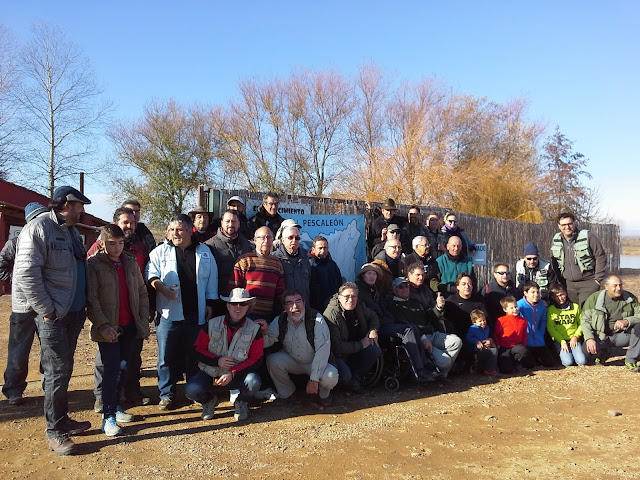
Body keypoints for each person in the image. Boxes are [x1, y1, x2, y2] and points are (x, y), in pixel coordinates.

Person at [12, 186, 92, 455]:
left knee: (63, 369)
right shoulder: (38, 228)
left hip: (74, 313)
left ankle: (62, 419)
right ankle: (56, 432)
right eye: (79, 205)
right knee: (56, 371)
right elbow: (26, 273)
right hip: (55, 316)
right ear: (65, 205)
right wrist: (46, 310)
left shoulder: (71, 231)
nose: (82, 210)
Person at [147, 214, 219, 410]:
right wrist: (161, 287)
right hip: (168, 315)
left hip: (196, 314)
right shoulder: (160, 252)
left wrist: (210, 304)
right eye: (172, 230)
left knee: (194, 356)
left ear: (189, 231)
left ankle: (193, 391)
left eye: (179, 230)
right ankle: (166, 394)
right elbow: (150, 274)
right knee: (165, 357)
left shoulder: (204, 251)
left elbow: (212, 280)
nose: (175, 233)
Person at [87, 225, 150, 436]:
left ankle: (115, 406)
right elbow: (92, 299)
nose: (117, 248)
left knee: (124, 367)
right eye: (112, 243)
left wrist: (142, 319)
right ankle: (108, 417)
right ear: (102, 244)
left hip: (129, 326)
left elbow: (141, 291)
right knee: (111, 371)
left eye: (121, 243)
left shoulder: (130, 262)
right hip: (109, 328)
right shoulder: (94, 265)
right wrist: (103, 325)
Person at [186, 288, 263, 421]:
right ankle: (209, 400)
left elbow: (257, 358)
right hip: (211, 373)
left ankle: (241, 402)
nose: (238, 307)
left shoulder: (255, 329)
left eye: (243, 304)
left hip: (239, 375)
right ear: (227, 305)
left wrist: (233, 372)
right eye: (234, 303)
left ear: (248, 307)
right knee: (192, 390)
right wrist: (217, 361)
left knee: (253, 382)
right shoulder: (211, 324)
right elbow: (197, 349)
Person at [1, 202, 47, 406]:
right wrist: (19, 281)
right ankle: (13, 390)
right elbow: (1, 266)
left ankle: (50, 387)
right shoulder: (16, 243)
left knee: (50, 349)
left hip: (47, 305)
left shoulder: (50, 241)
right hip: (23, 307)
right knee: (18, 350)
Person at [263, 290, 338, 404]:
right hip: (293, 360)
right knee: (272, 360)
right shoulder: (280, 320)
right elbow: (267, 342)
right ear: (284, 307)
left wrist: (314, 379)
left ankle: (323, 395)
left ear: (304, 303)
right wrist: (264, 332)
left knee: (330, 376)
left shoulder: (316, 319)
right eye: (289, 303)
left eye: (298, 301)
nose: (295, 306)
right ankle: (287, 393)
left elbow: (322, 350)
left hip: (314, 361)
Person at [385, 277, 461, 380]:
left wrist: (438, 307)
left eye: (407, 286)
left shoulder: (415, 302)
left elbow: (430, 315)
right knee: (445, 361)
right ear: (394, 290)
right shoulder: (393, 306)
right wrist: (423, 338)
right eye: (401, 287)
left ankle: (441, 373)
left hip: (431, 333)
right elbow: (405, 325)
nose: (405, 289)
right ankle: (437, 369)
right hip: (418, 339)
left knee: (456, 341)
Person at [323, 282, 381, 392]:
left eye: (354, 296)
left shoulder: (359, 305)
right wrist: (361, 345)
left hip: (356, 347)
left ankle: (356, 379)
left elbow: (373, 316)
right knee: (345, 377)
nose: (351, 300)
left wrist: (373, 330)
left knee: (374, 349)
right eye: (347, 296)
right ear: (339, 297)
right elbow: (336, 347)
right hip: (338, 355)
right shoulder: (331, 315)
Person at [581, 274, 640, 371]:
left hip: (623, 335)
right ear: (606, 286)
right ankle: (602, 354)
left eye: (620, 285)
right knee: (585, 352)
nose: (619, 288)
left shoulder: (630, 298)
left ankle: (631, 360)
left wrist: (627, 321)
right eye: (615, 285)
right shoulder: (594, 299)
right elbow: (585, 321)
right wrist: (589, 338)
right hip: (601, 336)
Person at [550, 212, 607, 307]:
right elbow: (554, 261)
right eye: (563, 225)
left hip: (588, 283)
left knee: (586, 311)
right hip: (568, 285)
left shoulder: (587, 236)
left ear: (574, 223)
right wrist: (560, 280)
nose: (567, 227)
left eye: (570, 224)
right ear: (559, 226)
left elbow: (600, 256)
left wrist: (597, 280)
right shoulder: (556, 239)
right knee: (573, 311)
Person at [205, 209, 253, 316]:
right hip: (218, 301)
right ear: (222, 223)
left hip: (241, 301)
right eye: (227, 221)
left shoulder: (248, 245)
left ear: (239, 224)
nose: (231, 224)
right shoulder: (209, 246)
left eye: (234, 221)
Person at [230, 226, 285, 319]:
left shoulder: (277, 263)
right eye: (262, 238)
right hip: (246, 315)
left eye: (269, 238)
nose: (266, 241)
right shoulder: (245, 260)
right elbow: (234, 288)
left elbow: (280, 292)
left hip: (268, 316)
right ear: (255, 240)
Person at [547, 284, 586, 367]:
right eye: (557, 296)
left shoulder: (575, 307)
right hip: (560, 340)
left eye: (561, 295)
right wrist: (562, 341)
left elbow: (582, 323)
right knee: (567, 362)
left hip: (573, 338)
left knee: (581, 361)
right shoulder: (551, 309)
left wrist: (576, 336)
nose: (560, 298)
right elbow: (551, 327)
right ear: (553, 297)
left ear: (566, 293)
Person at [517, 281, 555, 367]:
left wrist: (540, 333)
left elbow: (543, 320)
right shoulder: (519, 305)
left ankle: (538, 358)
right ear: (525, 293)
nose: (536, 295)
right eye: (533, 292)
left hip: (538, 338)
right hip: (525, 339)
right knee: (530, 365)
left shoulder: (541, 305)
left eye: (537, 292)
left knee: (550, 363)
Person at [494, 296, 535, 374]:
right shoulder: (501, 321)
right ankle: (508, 364)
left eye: (515, 307)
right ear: (505, 309)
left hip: (516, 346)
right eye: (511, 308)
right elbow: (496, 334)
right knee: (506, 370)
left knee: (523, 351)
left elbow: (524, 334)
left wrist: (523, 344)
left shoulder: (523, 321)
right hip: (504, 347)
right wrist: (497, 344)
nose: (515, 309)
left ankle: (517, 364)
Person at [272, 224, 312, 303]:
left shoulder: (306, 258)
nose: (294, 240)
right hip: (282, 306)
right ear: (283, 240)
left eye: (297, 238)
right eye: (290, 237)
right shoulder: (274, 259)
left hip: (303, 306)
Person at [444, 273, 487, 340]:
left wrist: (490, 338)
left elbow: (487, 320)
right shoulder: (451, 301)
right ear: (457, 287)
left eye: (469, 284)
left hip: (478, 337)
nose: (467, 286)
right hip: (458, 338)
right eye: (463, 284)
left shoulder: (479, 300)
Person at [308, 236, 342, 311]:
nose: (323, 250)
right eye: (320, 248)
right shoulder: (308, 265)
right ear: (313, 249)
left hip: (331, 306)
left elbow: (339, 284)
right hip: (313, 307)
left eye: (325, 248)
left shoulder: (333, 265)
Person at [464, 310, 498, 376]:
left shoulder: (487, 328)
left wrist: (489, 341)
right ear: (474, 322)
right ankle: (490, 369)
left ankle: (489, 368)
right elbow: (468, 338)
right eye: (480, 321)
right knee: (493, 351)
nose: (483, 322)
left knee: (494, 350)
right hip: (477, 351)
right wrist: (476, 342)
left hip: (485, 348)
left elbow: (487, 337)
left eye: (484, 320)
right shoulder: (473, 329)